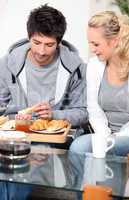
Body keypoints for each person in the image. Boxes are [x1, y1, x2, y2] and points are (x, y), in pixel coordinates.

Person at [0, 4, 87, 200]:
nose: (41, 51)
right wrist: (16, 115)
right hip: (15, 135)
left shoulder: (77, 67)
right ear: (29, 36)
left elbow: (83, 111)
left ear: (59, 42)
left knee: (20, 166)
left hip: (52, 138)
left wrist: (54, 114)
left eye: (49, 45)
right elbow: (1, 105)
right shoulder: (8, 62)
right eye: (36, 42)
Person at [70, 11, 129, 156]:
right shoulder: (94, 65)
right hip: (106, 136)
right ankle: (89, 179)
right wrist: (104, 137)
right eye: (90, 43)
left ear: (115, 41)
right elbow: (94, 109)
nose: (92, 49)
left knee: (82, 148)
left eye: (96, 44)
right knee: (78, 146)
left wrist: (115, 139)